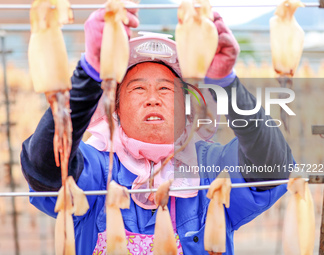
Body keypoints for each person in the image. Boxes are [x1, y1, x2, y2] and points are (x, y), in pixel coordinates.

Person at [20, 5, 293, 255]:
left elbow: (272, 166)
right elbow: (44, 166)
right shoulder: (99, 167)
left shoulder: (210, 166)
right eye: (138, 88)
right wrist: (90, 74)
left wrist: (226, 83)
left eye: (166, 88)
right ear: (114, 108)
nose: (153, 98)